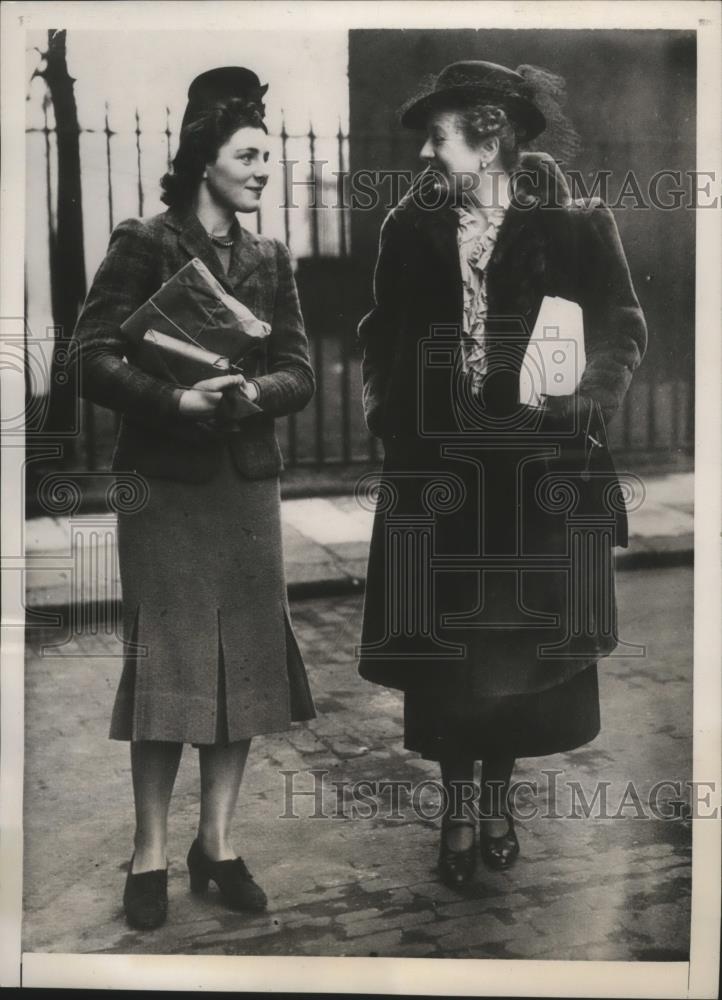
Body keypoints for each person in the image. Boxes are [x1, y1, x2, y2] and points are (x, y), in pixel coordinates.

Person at [357, 60, 647, 888]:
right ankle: (455, 809)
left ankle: (496, 802)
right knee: (448, 658)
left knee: (514, 657)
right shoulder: (411, 226)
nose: (424, 154)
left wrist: (590, 399)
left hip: (534, 476)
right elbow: (382, 331)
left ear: (488, 137)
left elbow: (623, 322)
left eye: (438, 137)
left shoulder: (573, 222)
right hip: (440, 475)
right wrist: (388, 412)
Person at [72, 66, 316, 929]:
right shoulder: (146, 239)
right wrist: (175, 400)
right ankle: (149, 852)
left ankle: (216, 845)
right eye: (249, 155)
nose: (263, 170)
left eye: (268, 157)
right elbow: (91, 356)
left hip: (244, 490)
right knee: (168, 670)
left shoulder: (271, 256)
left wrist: (254, 395)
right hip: (167, 492)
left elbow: (301, 369)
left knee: (240, 672)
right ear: (203, 158)